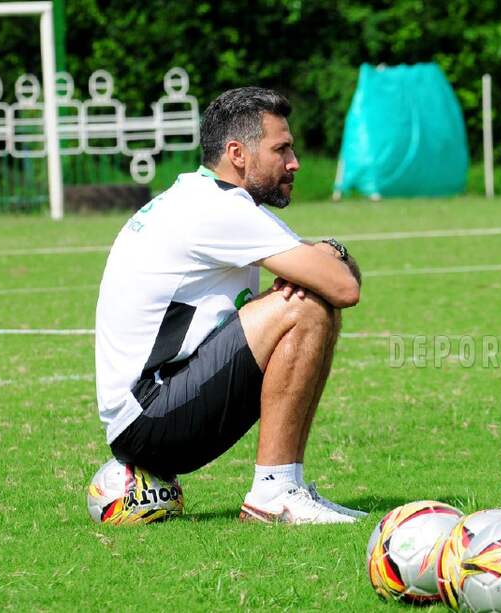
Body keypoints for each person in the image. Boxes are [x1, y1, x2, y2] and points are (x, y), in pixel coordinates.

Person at [94, 87, 364, 525]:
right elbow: (343, 287)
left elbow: (328, 275)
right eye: (281, 149)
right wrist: (332, 251)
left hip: (146, 416)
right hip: (152, 417)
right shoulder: (216, 209)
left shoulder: (202, 197)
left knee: (306, 294)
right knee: (306, 304)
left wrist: (323, 258)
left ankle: (286, 487)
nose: (294, 162)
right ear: (237, 153)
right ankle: (274, 493)